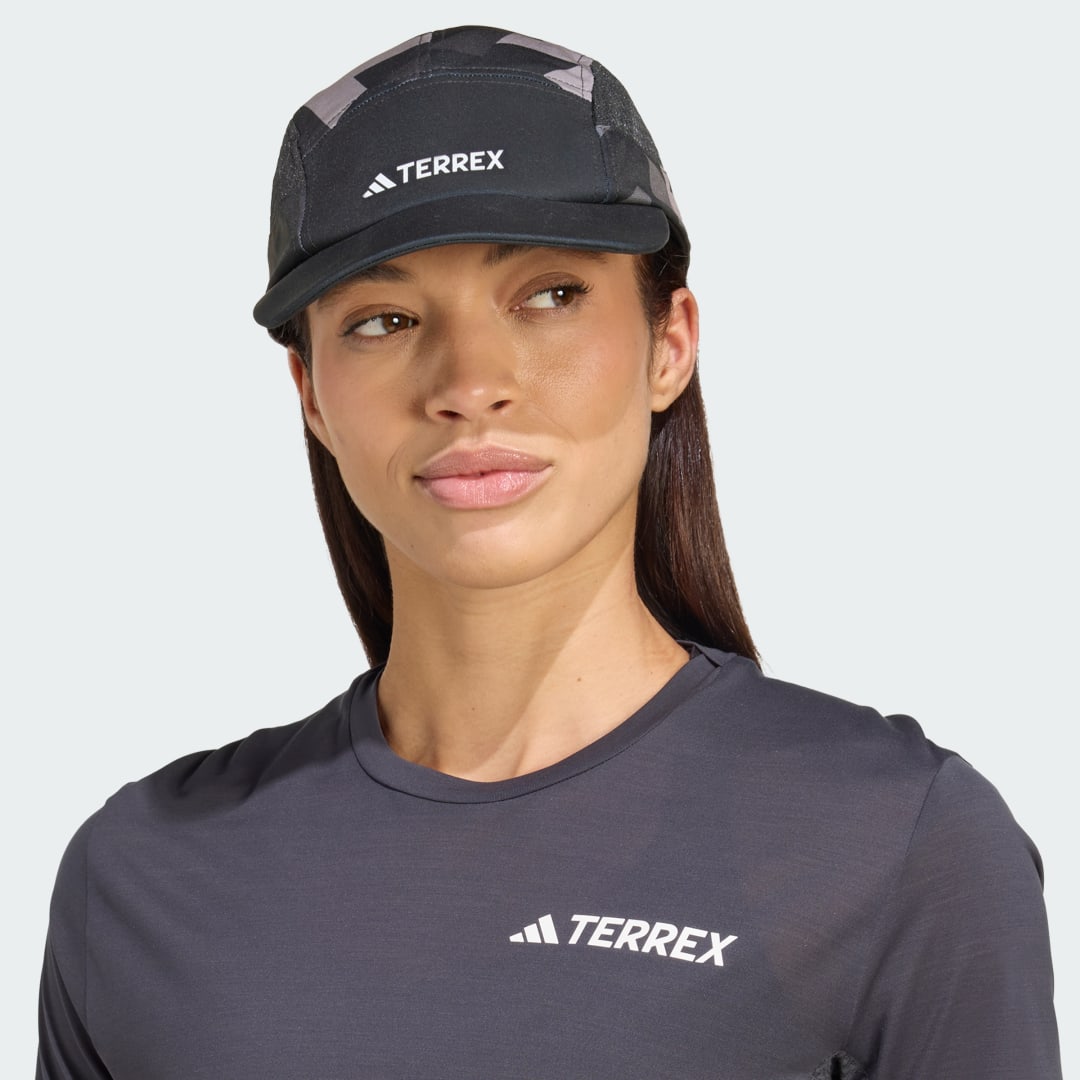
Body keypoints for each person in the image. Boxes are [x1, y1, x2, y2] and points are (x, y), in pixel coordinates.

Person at [36, 25, 1061, 1079]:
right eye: (384, 320)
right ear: (311, 397)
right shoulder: (142, 879)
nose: (469, 383)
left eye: (549, 296)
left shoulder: (895, 848)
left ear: (670, 344)